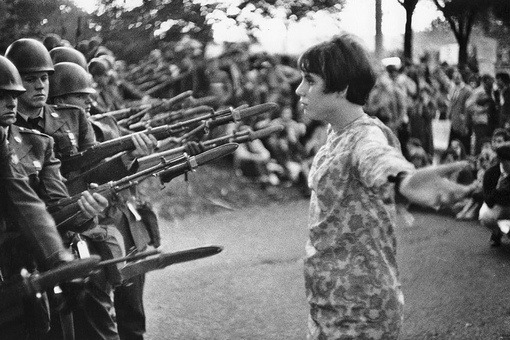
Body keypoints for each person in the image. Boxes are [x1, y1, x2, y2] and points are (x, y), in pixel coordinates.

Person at [295, 34, 473, 339]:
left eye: (310, 80)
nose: (300, 89)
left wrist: (404, 180)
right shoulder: (337, 131)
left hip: (360, 310)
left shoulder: (365, 137)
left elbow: (378, 159)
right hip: (329, 303)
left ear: (342, 89)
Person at [0, 54, 75, 339]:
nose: (11, 103)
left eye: (14, 95)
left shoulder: (7, 142)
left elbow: (25, 199)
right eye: (1, 96)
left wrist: (57, 261)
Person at [479, 143, 510, 247]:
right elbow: (488, 201)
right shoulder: (491, 173)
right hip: (498, 207)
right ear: (502, 161)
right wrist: (497, 189)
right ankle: (497, 231)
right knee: (484, 215)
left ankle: (506, 229)